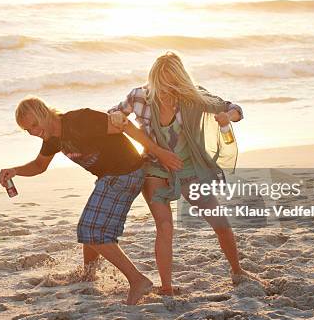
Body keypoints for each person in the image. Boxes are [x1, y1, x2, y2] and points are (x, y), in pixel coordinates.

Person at [0, 96, 182, 305]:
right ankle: (89, 274)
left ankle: (138, 280)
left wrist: (159, 152)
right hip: (110, 177)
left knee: (90, 230)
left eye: (34, 124)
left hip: (126, 172)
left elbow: (125, 125)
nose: (32, 132)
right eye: (26, 129)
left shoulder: (81, 120)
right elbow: (39, 166)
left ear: (44, 112)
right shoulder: (52, 139)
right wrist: (15, 171)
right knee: (91, 225)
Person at [109, 51, 262, 295]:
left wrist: (227, 116)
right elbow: (114, 115)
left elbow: (235, 109)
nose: (168, 90)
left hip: (189, 170)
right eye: (163, 83)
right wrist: (116, 116)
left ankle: (237, 270)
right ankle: (167, 287)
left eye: (173, 83)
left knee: (220, 222)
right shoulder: (139, 97)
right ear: (155, 79)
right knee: (165, 225)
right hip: (155, 169)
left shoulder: (193, 97)